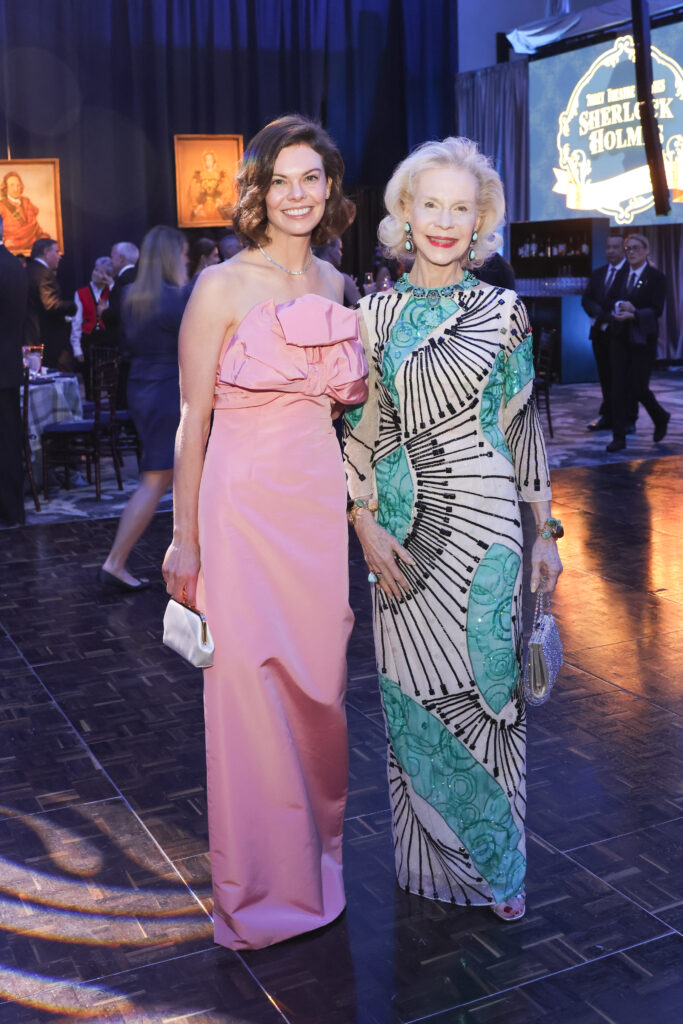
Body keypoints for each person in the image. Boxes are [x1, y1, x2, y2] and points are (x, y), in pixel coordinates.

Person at [162, 114, 368, 950]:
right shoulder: (222, 286)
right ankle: (254, 896)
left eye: (310, 179)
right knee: (248, 697)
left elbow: (349, 419)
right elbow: (189, 421)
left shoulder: (337, 286)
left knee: (319, 693)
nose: (296, 195)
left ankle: (314, 872)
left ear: (330, 190)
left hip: (314, 509)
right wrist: (184, 537)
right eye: (279, 180)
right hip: (240, 509)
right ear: (257, 191)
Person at [343, 137, 563, 922]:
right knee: (411, 699)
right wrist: (361, 521)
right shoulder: (369, 314)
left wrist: (545, 531)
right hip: (402, 537)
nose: (442, 220)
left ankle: (498, 869)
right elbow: (358, 432)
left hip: (488, 528)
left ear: (480, 222)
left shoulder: (504, 310)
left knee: (490, 697)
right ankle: (429, 865)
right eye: (428, 203)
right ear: (403, 212)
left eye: (459, 207)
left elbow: (523, 428)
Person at [99, 227, 190, 591]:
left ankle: (188, 560)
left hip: (141, 388)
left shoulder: (132, 296)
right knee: (156, 481)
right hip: (168, 392)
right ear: (172, 256)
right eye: (183, 255)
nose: (186, 260)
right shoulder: (178, 298)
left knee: (165, 478)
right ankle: (114, 563)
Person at [606, 233, 669, 452]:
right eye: (628, 249)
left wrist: (635, 313)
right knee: (618, 387)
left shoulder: (656, 277)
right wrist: (618, 307)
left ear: (646, 250)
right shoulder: (621, 274)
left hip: (643, 339)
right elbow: (610, 298)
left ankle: (660, 416)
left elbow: (657, 309)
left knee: (638, 387)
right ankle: (619, 437)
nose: (631, 252)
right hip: (620, 337)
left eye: (635, 248)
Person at [581, 232, 627, 432]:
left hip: (620, 334)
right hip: (599, 334)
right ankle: (608, 417)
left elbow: (625, 302)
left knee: (621, 379)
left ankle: (625, 420)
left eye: (615, 247)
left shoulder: (629, 273)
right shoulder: (599, 273)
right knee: (605, 377)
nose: (610, 251)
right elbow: (587, 299)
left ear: (623, 249)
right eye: (608, 247)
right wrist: (599, 314)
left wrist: (603, 315)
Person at [0, 214, 29, 526]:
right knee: (8, 441)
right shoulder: (14, 265)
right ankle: (12, 510)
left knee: (6, 443)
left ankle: (9, 511)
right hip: (7, 365)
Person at [24, 237, 77, 369]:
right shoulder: (43, 273)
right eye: (56, 252)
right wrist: (74, 306)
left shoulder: (27, 270)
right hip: (45, 337)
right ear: (46, 253)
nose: (59, 257)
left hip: (30, 336)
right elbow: (50, 304)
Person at [103, 241, 140, 408]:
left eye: (112, 256)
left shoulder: (124, 280)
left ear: (121, 258)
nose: (110, 261)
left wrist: (103, 311)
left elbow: (120, 312)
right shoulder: (138, 275)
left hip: (125, 345)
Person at [70, 256, 114, 397]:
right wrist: (77, 349)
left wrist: (112, 285)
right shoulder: (81, 293)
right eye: (96, 270)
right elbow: (76, 322)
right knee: (90, 378)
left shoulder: (112, 292)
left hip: (107, 338)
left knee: (110, 378)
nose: (97, 274)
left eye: (102, 272)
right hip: (88, 338)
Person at [0, 171, 48, 254]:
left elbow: (36, 228)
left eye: (18, 185)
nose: (16, 189)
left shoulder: (27, 202)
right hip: (10, 251)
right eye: (12, 185)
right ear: (6, 188)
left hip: (32, 249)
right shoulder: (1, 207)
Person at [314, 236, 361, 305]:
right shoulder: (342, 278)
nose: (341, 254)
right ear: (330, 251)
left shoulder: (307, 276)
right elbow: (363, 309)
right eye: (339, 249)